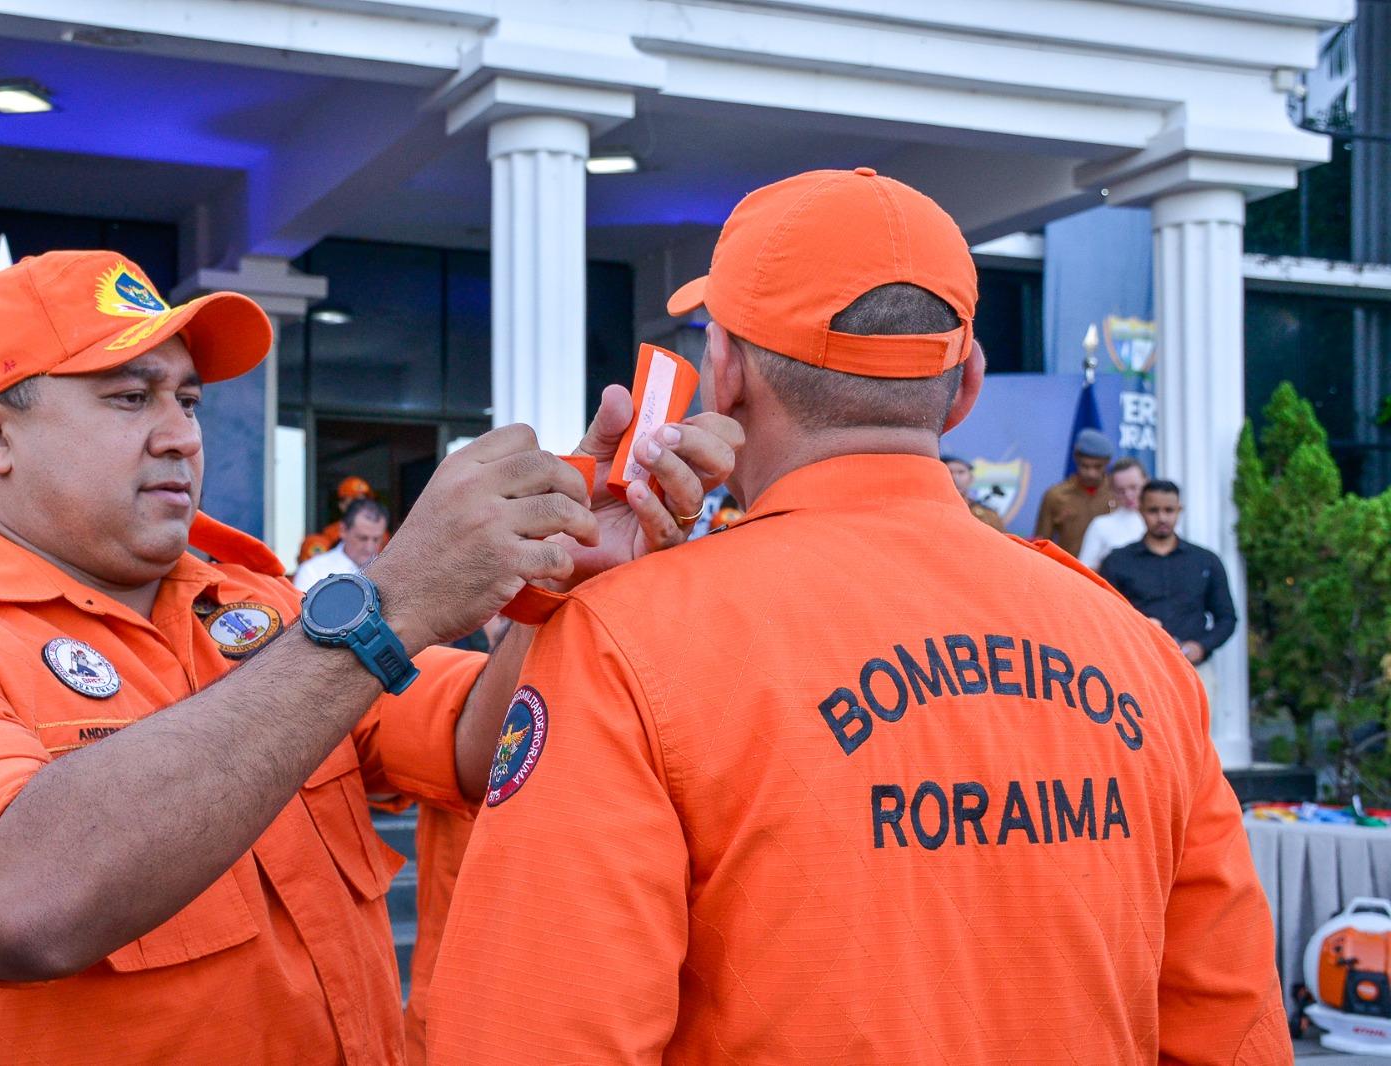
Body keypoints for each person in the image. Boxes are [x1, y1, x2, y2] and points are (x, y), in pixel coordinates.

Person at [0, 250, 740, 1065]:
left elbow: (470, 744)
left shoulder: (254, 608)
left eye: (189, 399)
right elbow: (16, 902)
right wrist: (389, 606)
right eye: (130, 397)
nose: (181, 433)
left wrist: (563, 578)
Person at [427, 168, 1285, 1064]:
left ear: (725, 371)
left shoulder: (631, 645)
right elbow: (1231, 1028)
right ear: (965, 387)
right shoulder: (1140, 657)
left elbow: (535, 1033)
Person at [1099, 479, 1237, 666]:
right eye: (1153, 510)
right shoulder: (1117, 561)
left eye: (1169, 510)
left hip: (1192, 669)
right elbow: (1105, 618)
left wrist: (1202, 646)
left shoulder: (1205, 560)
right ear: (1140, 510)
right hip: (1137, 667)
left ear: (1179, 510)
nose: (1162, 517)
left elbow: (1227, 618)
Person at [1033, 426, 1115, 557]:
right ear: (1076, 460)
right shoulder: (1056, 496)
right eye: (1085, 466)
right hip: (1069, 571)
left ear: (1107, 463)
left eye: (1097, 467)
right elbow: (1040, 544)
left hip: (1110, 574)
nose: (1091, 473)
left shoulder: (1117, 494)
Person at [292, 497, 389, 589]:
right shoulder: (313, 571)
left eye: (376, 539)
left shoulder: (389, 571)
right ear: (343, 530)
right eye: (362, 538)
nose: (369, 547)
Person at [1078, 457, 1148, 571]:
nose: (1128, 495)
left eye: (1134, 487)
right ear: (1112, 491)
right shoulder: (1100, 525)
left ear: (1146, 482)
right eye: (1120, 490)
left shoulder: (1163, 520)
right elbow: (1084, 570)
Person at [298, 476, 377, 566]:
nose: (362, 507)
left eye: (365, 502)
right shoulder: (330, 534)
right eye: (355, 502)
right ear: (342, 505)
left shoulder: (382, 535)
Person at [942, 451, 1004, 531]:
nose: (955, 478)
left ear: (971, 478)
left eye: (961, 472)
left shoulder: (988, 514)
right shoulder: (934, 510)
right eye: (949, 472)